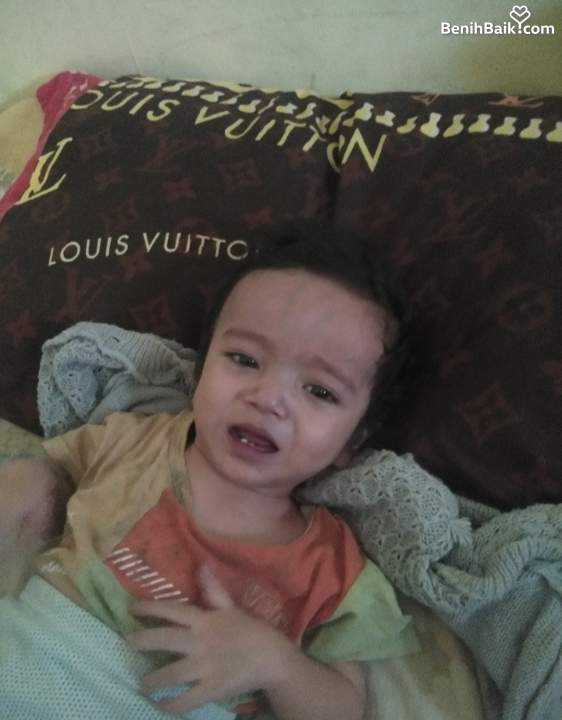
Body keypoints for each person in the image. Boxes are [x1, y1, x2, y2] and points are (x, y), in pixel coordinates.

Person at [0, 223, 419, 720]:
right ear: (200, 371)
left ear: (351, 442)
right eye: (245, 359)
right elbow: (51, 470)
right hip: (31, 657)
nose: (268, 398)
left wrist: (277, 664)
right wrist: (28, 479)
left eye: (320, 391)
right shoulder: (131, 440)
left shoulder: (331, 566)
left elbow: (342, 711)